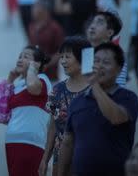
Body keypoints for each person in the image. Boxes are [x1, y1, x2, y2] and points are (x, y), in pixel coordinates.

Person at [58, 43, 138, 176]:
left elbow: (116, 118)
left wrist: (94, 84)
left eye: (106, 62)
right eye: (96, 61)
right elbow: (67, 143)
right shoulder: (78, 102)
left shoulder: (127, 97)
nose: (99, 66)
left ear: (119, 69)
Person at [39, 36, 91, 176]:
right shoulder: (57, 90)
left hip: (88, 158)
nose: (62, 61)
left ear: (83, 59)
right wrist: (45, 159)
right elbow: (53, 127)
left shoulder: (95, 91)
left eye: (67, 57)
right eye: (61, 57)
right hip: (60, 160)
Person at [3, 45, 52, 176]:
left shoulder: (42, 79)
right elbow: (1, 108)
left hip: (31, 142)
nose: (20, 59)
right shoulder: (18, 84)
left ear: (37, 63)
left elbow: (32, 87)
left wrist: (32, 69)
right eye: (19, 56)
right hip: (12, 141)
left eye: (26, 57)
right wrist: (10, 79)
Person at [29, 0, 64, 80]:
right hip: (33, 73)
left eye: (36, 7)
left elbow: (61, 51)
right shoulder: (32, 26)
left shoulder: (55, 28)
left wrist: (47, 64)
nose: (33, 10)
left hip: (50, 75)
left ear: (45, 10)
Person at [86, 10, 127, 86]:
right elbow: (84, 84)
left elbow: (119, 88)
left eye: (99, 23)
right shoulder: (87, 52)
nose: (92, 26)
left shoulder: (117, 54)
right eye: (92, 22)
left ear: (110, 33)